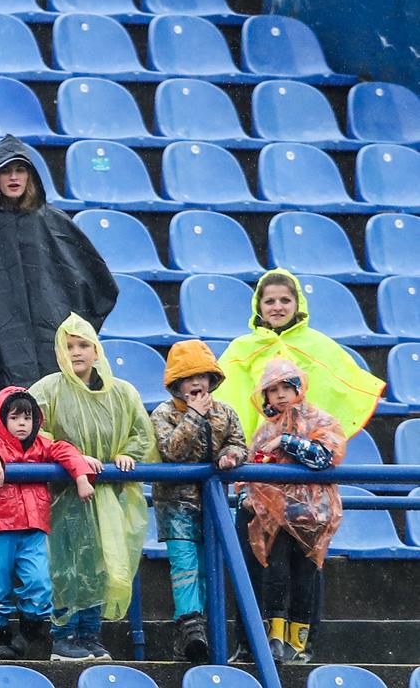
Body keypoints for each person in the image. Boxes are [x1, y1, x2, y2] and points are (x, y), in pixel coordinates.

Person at [0, 136, 119, 395]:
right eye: (6, 171)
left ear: (31, 175)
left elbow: (96, 283)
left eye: (20, 170)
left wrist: (71, 330)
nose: (13, 177)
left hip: (48, 344)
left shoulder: (54, 222)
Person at [30, 314, 155, 661]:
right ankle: (63, 635)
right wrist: (74, 459)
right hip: (63, 496)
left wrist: (127, 455)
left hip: (108, 497)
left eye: (83, 345)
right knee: (67, 564)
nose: (76, 353)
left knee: (100, 563)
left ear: (97, 350)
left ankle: (90, 634)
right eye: (68, 346)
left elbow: (140, 434)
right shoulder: (47, 390)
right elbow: (32, 434)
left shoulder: (123, 393)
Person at [0, 386, 95, 661]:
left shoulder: (42, 445)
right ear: (3, 420)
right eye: (15, 418)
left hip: (34, 527)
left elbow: (64, 451)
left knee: (39, 581)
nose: (22, 424)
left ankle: (29, 632)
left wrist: (81, 476)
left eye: (27, 418)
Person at [241, 359, 346, 664]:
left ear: (298, 388)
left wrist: (285, 441)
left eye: (286, 387)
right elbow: (257, 466)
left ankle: (300, 644)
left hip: (313, 517)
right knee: (276, 575)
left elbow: (326, 456)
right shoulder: (264, 430)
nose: (280, 395)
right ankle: (275, 638)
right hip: (276, 517)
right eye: (272, 390)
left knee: (304, 578)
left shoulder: (321, 419)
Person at [151, 340, 248, 665]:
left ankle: (199, 635)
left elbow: (237, 442)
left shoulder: (226, 412)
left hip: (214, 507)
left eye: (202, 376)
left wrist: (230, 455)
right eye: (188, 377)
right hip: (176, 505)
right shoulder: (163, 414)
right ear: (176, 383)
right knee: (185, 567)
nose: (196, 383)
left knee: (209, 569)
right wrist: (193, 416)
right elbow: (171, 451)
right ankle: (190, 625)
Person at [218, 268, 385, 442]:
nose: (277, 307)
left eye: (285, 300)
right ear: (258, 305)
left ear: (297, 304)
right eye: (269, 301)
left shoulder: (318, 344)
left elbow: (345, 387)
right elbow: (225, 395)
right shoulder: (241, 348)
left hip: (306, 446)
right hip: (259, 448)